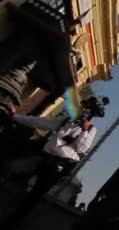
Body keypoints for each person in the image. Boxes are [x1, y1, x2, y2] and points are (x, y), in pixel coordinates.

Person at [0, 96, 108, 228]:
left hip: (58, 165)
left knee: (35, 196)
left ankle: (13, 222)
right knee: (14, 169)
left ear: (91, 114)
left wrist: (84, 130)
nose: (83, 110)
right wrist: (14, 116)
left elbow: (82, 148)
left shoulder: (91, 130)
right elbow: (41, 122)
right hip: (43, 156)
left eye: (87, 109)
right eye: (83, 107)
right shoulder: (66, 120)